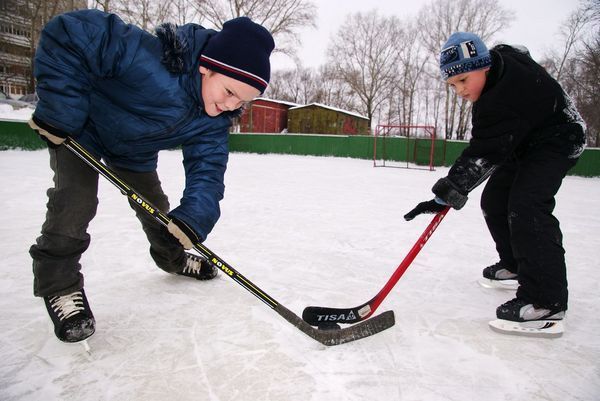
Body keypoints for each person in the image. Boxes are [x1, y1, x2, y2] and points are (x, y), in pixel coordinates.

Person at [27, 9, 274, 344]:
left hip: (132, 154)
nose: (231, 106)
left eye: (242, 103)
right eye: (229, 92)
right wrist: (60, 111)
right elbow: (69, 32)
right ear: (207, 67)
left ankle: (172, 259)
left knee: (159, 212)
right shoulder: (149, 58)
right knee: (75, 202)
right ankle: (60, 286)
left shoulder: (213, 121)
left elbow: (209, 170)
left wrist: (192, 219)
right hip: (81, 129)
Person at [404, 32, 586, 335]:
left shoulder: (501, 97)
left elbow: (483, 153)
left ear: (484, 65)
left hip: (559, 137)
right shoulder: (498, 63)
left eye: (463, 80)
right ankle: (515, 264)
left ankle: (545, 301)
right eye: (452, 85)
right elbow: (519, 48)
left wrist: (445, 194)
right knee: (494, 201)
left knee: (527, 206)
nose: (459, 90)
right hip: (524, 139)